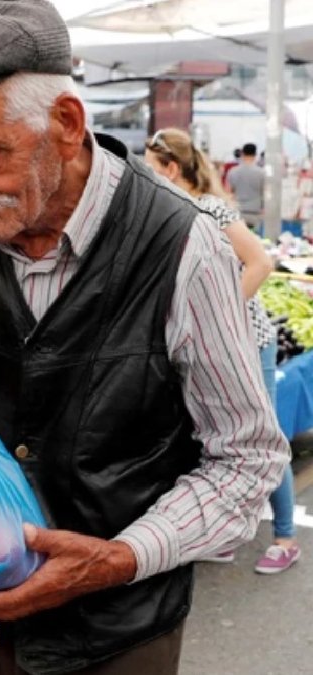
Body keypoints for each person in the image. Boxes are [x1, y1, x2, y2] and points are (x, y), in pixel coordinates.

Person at [0, 2, 287, 673]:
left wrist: (117, 558)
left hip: (118, 635)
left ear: (66, 125)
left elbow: (246, 458)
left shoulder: (183, 247)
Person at [145, 128, 298, 575]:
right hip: (207, 349)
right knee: (213, 436)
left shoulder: (209, 209)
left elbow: (262, 262)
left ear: (173, 169)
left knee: (260, 437)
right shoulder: (170, 213)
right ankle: (227, 533)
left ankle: (287, 536)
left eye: (154, 172)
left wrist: (220, 316)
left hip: (250, 343)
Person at [228, 143, 266, 228]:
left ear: (242, 153)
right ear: (255, 154)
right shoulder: (262, 173)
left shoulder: (233, 171)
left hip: (237, 212)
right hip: (255, 213)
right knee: (253, 238)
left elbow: (229, 192)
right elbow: (264, 192)